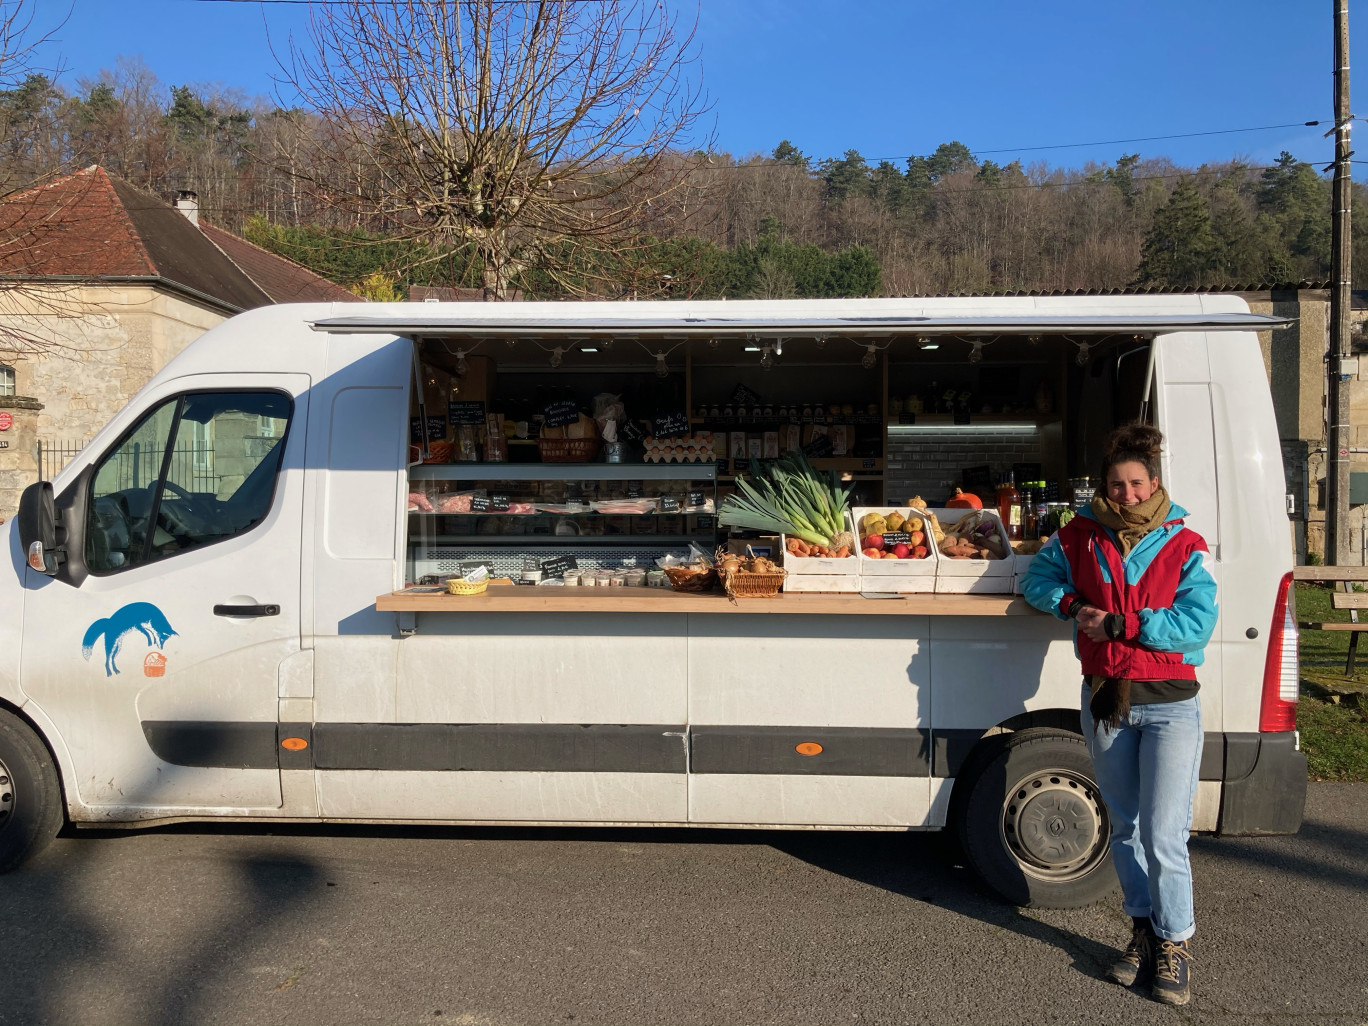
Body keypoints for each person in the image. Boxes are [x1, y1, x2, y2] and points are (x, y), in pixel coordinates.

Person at [1021, 424, 1217, 1007]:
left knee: (1163, 835)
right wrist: (1074, 604)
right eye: (1116, 484)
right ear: (1104, 488)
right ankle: (1142, 933)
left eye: (1136, 483)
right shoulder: (1079, 536)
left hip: (1170, 704)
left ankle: (1175, 942)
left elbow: (1197, 623)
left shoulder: (1186, 544)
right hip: (1106, 696)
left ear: (1154, 484)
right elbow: (1037, 579)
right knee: (1125, 827)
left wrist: (1124, 625)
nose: (1127, 493)